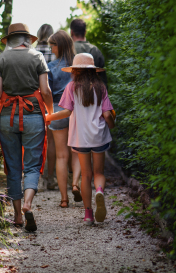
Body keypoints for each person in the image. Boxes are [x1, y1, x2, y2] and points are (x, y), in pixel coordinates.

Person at [0, 23, 53, 232]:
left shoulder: (2, 59)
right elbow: (46, 90)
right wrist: (48, 112)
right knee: (32, 164)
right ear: (27, 39)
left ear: (10, 40)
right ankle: (29, 203)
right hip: (34, 116)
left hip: (7, 117)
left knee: (13, 167)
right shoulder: (37, 57)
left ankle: (17, 216)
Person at [46, 53, 116, 225]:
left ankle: (88, 215)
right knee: (98, 173)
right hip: (98, 135)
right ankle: (99, 191)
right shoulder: (100, 87)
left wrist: (48, 117)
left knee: (86, 175)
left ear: (75, 70)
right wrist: (112, 125)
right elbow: (107, 114)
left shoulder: (71, 87)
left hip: (80, 137)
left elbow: (67, 112)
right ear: (93, 71)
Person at [45, 30, 83, 207]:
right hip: (78, 111)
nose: (51, 48)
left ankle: (64, 199)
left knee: (61, 156)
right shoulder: (79, 64)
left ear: (59, 45)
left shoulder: (51, 67)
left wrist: (48, 113)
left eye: (52, 45)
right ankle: (75, 184)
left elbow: (48, 93)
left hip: (59, 111)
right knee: (77, 152)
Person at [70, 19, 108, 87]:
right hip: (95, 94)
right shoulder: (96, 50)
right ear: (85, 32)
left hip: (72, 94)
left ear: (71, 32)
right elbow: (103, 80)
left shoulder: (68, 50)